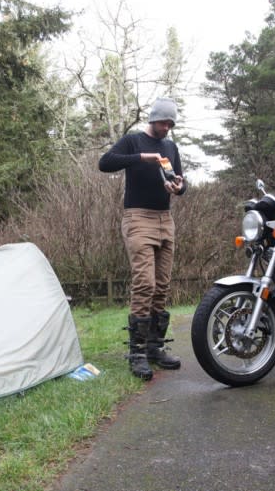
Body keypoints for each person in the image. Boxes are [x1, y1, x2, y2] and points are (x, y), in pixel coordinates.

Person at [98, 97, 187, 380]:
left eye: (171, 124)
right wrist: (141, 158)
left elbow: (180, 180)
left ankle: (154, 348)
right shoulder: (134, 142)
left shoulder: (171, 147)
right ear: (153, 119)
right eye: (164, 122)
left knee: (162, 285)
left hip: (165, 219)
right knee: (145, 283)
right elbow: (105, 163)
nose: (167, 128)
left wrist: (179, 187)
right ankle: (136, 354)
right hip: (138, 218)